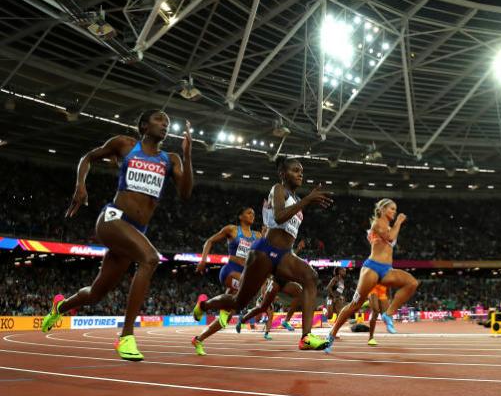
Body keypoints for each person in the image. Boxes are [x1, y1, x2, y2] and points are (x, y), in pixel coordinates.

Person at [41, 110, 193, 361]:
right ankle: (126, 336)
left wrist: (187, 156)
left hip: (135, 231)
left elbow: (185, 193)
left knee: (95, 294)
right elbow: (88, 157)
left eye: (168, 122)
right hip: (113, 219)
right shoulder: (125, 144)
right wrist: (81, 184)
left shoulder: (171, 159)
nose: (165, 124)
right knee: (150, 259)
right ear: (144, 125)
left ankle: (60, 306)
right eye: (159, 120)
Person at [193, 156, 333, 350]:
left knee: (310, 277)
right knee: (238, 302)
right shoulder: (278, 189)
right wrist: (308, 200)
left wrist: (306, 202)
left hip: (284, 254)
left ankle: (306, 337)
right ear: (283, 174)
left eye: (301, 170)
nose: (300, 173)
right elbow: (279, 216)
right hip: (265, 252)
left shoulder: (298, 199)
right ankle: (204, 306)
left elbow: (289, 228)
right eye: (295, 170)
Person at [325, 199, 419, 353]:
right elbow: (389, 237)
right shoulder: (377, 223)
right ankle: (331, 334)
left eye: (395, 210)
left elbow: (388, 239)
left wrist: (395, 225)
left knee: (412, 283)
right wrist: (399, 222)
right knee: (354, 305)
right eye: (392, 209)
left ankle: (388, 314)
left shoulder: (386, 226)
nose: (394, 212)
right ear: (382, 210)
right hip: (372, 268)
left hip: (387, 269)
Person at [191, 208, 261, 355]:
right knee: (245, 287)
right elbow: (210, 241)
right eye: (249, 213)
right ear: (240, 216)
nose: (252, 215)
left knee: (225, 319)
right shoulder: (232, 230)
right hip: (229, 271)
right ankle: (206, 307)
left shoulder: (258, 236)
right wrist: (203, 260)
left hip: (243, 274)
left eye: (254, 214)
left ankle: (199, 337)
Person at [236, 276, 303, 339]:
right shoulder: (265, 280)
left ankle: (266, 334)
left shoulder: (275, 282)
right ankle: (243, 316)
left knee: (270, 316)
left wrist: (273, 298)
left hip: (269, 301)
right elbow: (263, 293)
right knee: (257, 319)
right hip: (262, 301)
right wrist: (271, 297)